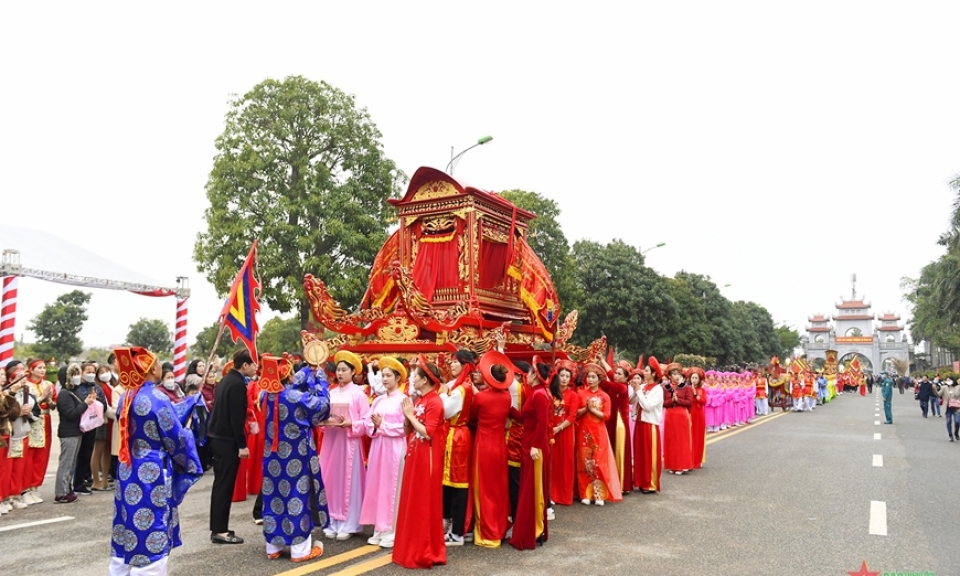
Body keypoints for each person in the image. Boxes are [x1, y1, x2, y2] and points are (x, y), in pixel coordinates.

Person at [109, 346, 202, 576]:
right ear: (150, 369)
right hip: (152, 472)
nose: (162, 367)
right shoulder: (157, 397)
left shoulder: (127, 396)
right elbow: (175, 437)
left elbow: (157, 418)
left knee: (126, 523)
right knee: (152, 526)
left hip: (128, 467)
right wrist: (188, 434)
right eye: (159, 364)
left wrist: (188, 403)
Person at [260, 353, 329, 562]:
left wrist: (307, 369)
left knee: (273, 496)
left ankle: (273, 546)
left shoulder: (264, 395)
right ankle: (300, 550)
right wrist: (320, 379)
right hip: (296, 454)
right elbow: (323, 407)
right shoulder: (297, 398)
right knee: (296, 495)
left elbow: (287, 383)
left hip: (272, 456)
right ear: (288, 374)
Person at [392, 358, 446, 569]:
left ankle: (425, 551)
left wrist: (410, 416)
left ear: (425, 380)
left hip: (428, 457)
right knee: (412, 500)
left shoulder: (435, 402)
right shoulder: (420, 400)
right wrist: (407, 418)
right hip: (415, 454)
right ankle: (410, 548)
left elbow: (428, 432)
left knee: (424, 502)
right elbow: (409, 431)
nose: (412, 378)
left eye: (415, 375)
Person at [208, 348, 258, 544]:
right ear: (244, 365)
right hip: (227, 440)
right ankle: (219, 530)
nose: (255, 368)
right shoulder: (237, 384)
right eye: (253, 364)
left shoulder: (225, 381)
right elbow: (236, 418)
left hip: (218, 438)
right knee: (224, 486)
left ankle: (219, 527)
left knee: (220, 485)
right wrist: (242, 444)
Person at [319, 350, 370, 540]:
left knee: (348, 480)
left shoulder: (359, 394)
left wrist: (351, 424)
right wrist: (323, 422)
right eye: (338, 370)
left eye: (344, 370)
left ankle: (349, 523)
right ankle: (332, 520)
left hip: (349, 442)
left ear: (352, 372)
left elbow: (367, 422)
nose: (340, 373)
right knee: (330, 478)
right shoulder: (330, 393)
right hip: (332, 441)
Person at [359, 357, 408, 549]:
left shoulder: (404, 400)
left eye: (388, 375)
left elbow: (406, 428)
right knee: (377, 485)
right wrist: (373, 425)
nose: (385, 379)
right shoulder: (378, 399)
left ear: (398, 378)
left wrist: (383, 425)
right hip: (378, 445)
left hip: (394, 448)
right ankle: (379, 528)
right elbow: (369, 422)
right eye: (383, 375)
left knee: (391, 487)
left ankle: (391, 530)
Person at [468, 350, 513, 548]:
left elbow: (472, 418)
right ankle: (500, 527)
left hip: (483, 444)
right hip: (499, 445)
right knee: (498, 487)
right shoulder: (507, 398)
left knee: (483, 488)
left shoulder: (481, 398)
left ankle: (487, 531)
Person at [508, 356, 554, 550]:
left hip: (536, 447)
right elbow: (526, 419)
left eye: (529, 372)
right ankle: (531, 529)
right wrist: (508, 408)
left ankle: (535, 530)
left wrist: (536, 446)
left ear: (535, 375)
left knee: (534, 490)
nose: (526, 375)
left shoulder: (540, 395)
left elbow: (543, 423)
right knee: (528, 488)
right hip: (528, 445)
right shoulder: (536, 393)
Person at [439, 349, 476, 546]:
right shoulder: (461, 385)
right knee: (450, 482)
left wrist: (443, 395)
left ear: (464, 365)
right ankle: (453, 527)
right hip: (455, 435)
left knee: (458, 483)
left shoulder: (461, 389)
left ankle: (457, 532)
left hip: (457, 437)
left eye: (455, 362)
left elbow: (444, 411)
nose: (451, 365)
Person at [575, 363, 622, 505]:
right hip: (584, 431)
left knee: (599, 463)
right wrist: (586, 409)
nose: (590, 379)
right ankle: (585, 494)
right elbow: (576, 413)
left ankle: (599, 494)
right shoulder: (581, 394)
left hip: (599, 432)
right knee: (584, 463)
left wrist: (592, 410)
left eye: (593, 377)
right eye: (588, 376)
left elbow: (606, 416)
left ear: (599, 379)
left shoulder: (605, 396)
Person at [53, 363, 91, 504]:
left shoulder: (75, 391)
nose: (77, 377)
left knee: (71, 463)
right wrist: (85, 404)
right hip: (68, 432)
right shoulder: (64, 394)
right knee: (66, 463)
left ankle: (67, 488)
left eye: (77, 373)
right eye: (73, 374)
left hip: (76, 431)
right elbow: (70, 413)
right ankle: (61, 492)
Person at [631, 357, 663, 493]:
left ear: (654, 374)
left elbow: (648, 406)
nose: (644, 372)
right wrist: (635, 389)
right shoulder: (643, 387)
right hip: (639, 423)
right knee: (639, 453)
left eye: (647, 370)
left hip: (649, 425)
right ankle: (639, 481)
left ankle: (650, 483)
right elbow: (631, 401)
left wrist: (639, 391)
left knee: (649, 455)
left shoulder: (658, 390)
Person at [550, 359, 579, 506]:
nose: (565, 379)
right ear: (557, 376)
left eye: (568, 376)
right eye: (562, 375)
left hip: (565, 432)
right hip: (550, 430)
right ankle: (551, 494)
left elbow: (572, 416)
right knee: (551, 463)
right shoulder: (550, 392)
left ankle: (564, 495)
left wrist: (559, 428)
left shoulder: (573, 395)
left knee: (565, 463)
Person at [662, 362, 694, 475]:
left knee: (682, 440)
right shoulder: (665, 388)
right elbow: (663, 403)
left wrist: (678, 400)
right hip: (670, 415)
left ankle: (682, 465)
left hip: (681, 416)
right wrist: (672, 401)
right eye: (673, 374)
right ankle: (672, 465)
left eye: (677, 374)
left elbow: (690, 402)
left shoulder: (686, 387)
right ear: (669, 376)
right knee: (671, 440)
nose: (676, 376)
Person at [91, 364, 117, 491]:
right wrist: (117, 416)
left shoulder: (111, 386)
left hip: (110, 423)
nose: (105, 373)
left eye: (107, 371)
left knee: (107, 452)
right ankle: (96, 481)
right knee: (98, 451)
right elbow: (105, 407)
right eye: (102, 372)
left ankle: (105, 480)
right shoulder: (99, 388)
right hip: (103, 422)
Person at [688, 367, 707, 470]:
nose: (694, 380)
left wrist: (696, 395)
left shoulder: (702, 390)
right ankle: (689, 460)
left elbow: (704, 401)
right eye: (692, 377)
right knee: (689, 438)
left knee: (698, 438)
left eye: (696, 378)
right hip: (689, 415)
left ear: (699, 380)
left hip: (699, 416)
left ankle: (697, 461)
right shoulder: (687, 389)